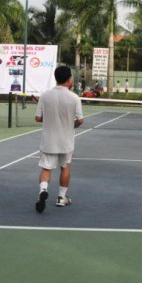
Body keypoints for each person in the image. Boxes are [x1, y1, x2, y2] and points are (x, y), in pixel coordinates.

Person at [34, 66, 84, 213]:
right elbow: (80, 121)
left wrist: (49, 118)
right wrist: (70, 126)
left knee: (46, 168)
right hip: (66, 141)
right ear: (69, 80)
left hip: (49, 140)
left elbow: (38, 118)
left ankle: (43, 190)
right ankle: (61, 198)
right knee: (65, 167)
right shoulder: (74, 98)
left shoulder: (45, 96)